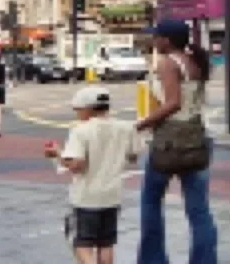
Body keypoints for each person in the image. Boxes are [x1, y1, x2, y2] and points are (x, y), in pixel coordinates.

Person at [135, 20, 218, 264]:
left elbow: (173, 103)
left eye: (156, 37)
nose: (154, 41)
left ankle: (153, 260)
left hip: (169, 142)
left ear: (167, 40)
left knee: (150, 201)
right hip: (197, 138)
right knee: (199, 211)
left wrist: (142, 124)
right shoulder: (195, 61)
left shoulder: (168, 64)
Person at [45, 86, 140, 264]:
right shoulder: (126, 127)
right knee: (106, 243)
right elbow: (133, 156)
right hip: (113, 195)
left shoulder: (81, 131)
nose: (77, 114)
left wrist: (58, 153)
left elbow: (77, 165)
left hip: (86, 197)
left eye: (78, 110)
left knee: (81, 242)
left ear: (88, 109)